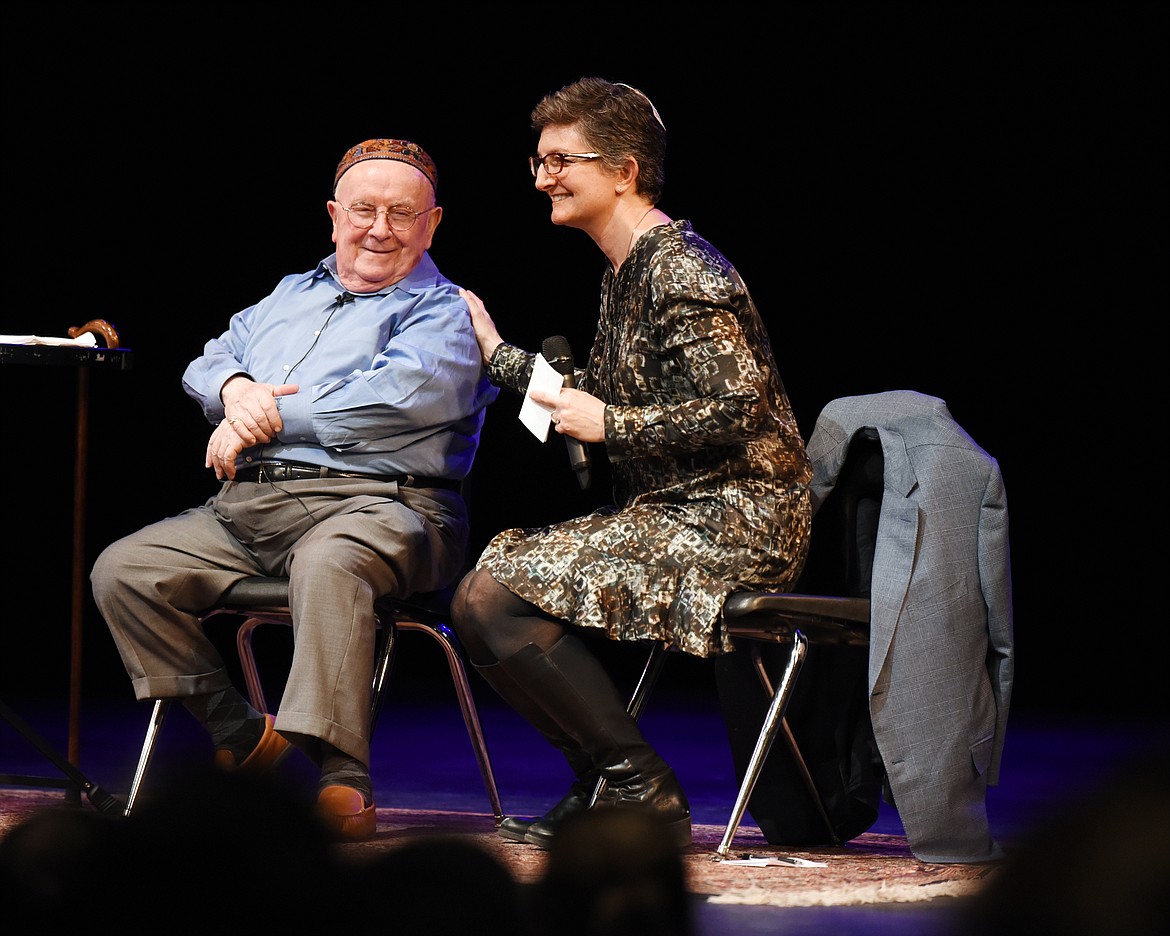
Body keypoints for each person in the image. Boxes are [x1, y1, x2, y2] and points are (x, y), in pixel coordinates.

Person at [90, 138, 498, 841]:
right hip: (252, 506)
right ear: (334, 215)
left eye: (401, 215)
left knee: (330, 560)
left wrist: (251, 422)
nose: (379, 229)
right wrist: (234, 388)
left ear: (433, 223)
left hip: (389, 507)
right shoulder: (289, 292)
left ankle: (344, 774)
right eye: (363, 210)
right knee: (126, 570)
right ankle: (241, 732)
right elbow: (209, 359)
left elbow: (389, 401)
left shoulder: (445, 311)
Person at [450, 77, 813, 850]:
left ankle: (636, 784)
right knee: (482, 598)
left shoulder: (682, 268)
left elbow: (738, 407)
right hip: (673, 511)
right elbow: (584, 399)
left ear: (624, 171)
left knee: (493, 594)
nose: (544, 176)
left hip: (734, 518)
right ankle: (607, 779)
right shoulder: (623, 270)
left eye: (561, 159)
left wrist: (612, 425)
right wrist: (496, 354)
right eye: (538, 160)